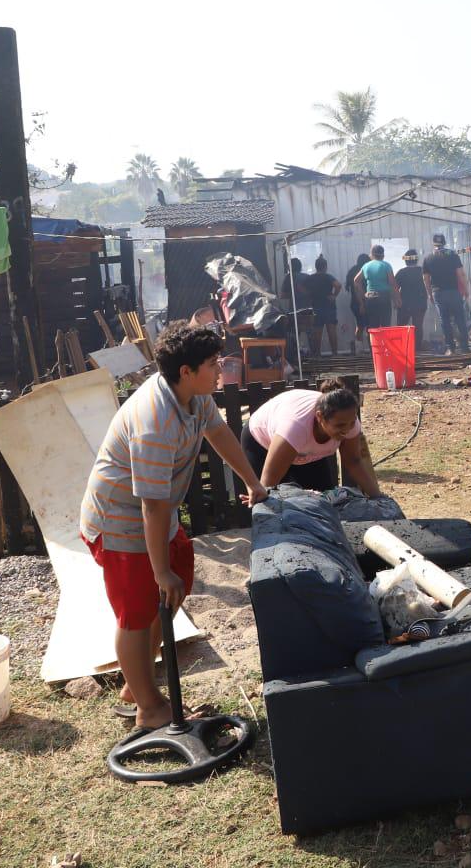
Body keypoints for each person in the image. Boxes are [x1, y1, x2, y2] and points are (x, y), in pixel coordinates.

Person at [79, 321, 267, 729]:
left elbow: (219, 434)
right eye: (214, 364)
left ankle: (137, 684)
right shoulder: (155, 421)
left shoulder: (194, 397)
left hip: (154, 517)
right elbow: (152, 504)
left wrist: (254, 483)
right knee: (137, 611)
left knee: (175, 583)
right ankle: (148, 710)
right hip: (118, 522)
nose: (220, 370)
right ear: (186, 370)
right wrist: (157, 569)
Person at [241, 377, 382, 494]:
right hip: (262, 442)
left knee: (324, 501)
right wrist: (263, 497)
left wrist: (378, 497)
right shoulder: (295, 428)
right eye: (339, 426)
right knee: (276, 501)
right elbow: (268, 483)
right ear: (320, 417)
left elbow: (353, 462)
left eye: (351, 423)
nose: (346, 430)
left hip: (305, 451)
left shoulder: (348, 421)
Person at [423, 233, 470, 355]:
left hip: (438, 293)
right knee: (460, 318)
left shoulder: (428, 258)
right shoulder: (453, 254)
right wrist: (465, 289)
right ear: (444, 242)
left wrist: (429, 294)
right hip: (454, 291)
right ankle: (465, 347)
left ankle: (451, 348)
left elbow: (426, 279)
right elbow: (461, 274)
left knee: (445, 320)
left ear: (433, 244)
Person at [354, 244, 400, 334]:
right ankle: (385, 347)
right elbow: (392, 283)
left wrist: (363, 294)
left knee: (373, 326)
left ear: (371, 254)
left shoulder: (366, 266)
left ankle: (374, 348)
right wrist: (397, 298)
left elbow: (356, 280)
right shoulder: (386, 265)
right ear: (383, 255)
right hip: (384, 297)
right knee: (385, 325)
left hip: (370, 297)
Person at [304, 257, 342, 357]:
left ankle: (318, 355)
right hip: (329, 306)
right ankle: (335, 354)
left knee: (317, 332)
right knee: (331, 330)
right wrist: (334, 295)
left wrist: (309, 295)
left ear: (316, 267)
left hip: (316, 306)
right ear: (325, 267)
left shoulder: (311, 278)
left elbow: (301, 288)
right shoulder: (328, 277)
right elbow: (338, 285)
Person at [396, 249, 428, 350]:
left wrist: (396, 300)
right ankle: (417, 348)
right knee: (418, 326)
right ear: (416, 260)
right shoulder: (423, 271)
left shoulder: (401, 272)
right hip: (420, 303)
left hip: (404, 304)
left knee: (401, 326)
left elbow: (394, 287)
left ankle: (402, 348)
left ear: (406, 261)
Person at [344, 253, 371, 352]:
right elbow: (358, 289)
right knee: (369, 327)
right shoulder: (364, 271)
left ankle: (359, 349)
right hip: (363, 302)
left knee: (360, 326)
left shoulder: (352, 270)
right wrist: (362, 304)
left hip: (354, 303)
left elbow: (350, 288)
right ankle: (371, 350)